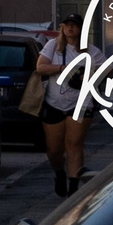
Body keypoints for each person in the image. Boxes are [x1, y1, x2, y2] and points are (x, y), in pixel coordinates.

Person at [35, 24, 92, 194]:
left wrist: (88, 73)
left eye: (73, 25)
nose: (70, 28)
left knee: (74, 145)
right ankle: (59, 172)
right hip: (54, 104)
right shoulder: (52, 46)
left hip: (81, 104)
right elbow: (40, 67)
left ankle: (73, 188)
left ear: (81, 29)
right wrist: (62, 68)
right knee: (54, 150)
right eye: (66, 24)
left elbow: (109, 70)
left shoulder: (90, 50)